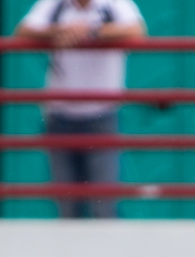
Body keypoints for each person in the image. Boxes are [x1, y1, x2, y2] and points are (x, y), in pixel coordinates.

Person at [15, 0, 147, 220]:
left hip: (102, 115)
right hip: (60, 116)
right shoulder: (55, 4)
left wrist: (91, 30)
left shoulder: (113, 3)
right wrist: (60, 32)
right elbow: (24, 31)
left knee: (103, 207)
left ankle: (105, 244)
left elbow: (137, 31)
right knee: (68, 208)